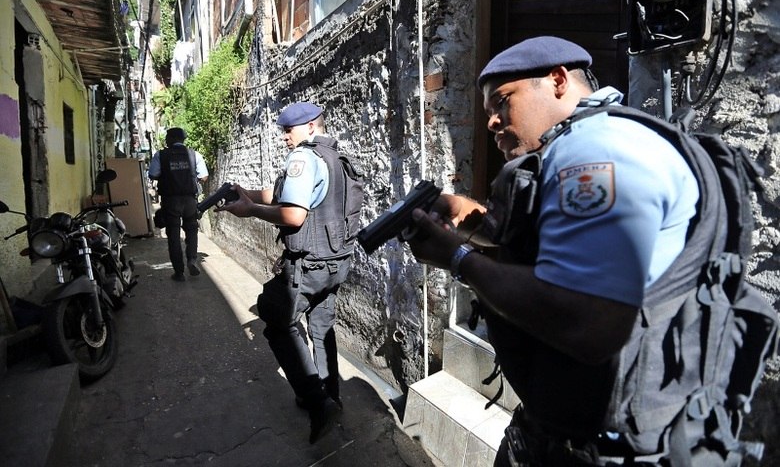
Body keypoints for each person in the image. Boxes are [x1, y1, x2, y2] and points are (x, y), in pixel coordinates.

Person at [406, 37, 700, 465]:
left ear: (558, 80)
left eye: (503, 102)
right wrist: (464, 217)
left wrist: (457, 258)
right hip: (556, 420)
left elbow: (581, 309)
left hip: (600, 442)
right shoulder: (571, 148)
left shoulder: (598, 148)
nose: (491, 123)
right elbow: (543, 241)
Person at [218, 102, 361, 444]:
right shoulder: (335, 157)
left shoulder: (302, 158)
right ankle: (331, 395)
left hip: (309, 264)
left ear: (311, 126)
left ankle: (317, 402)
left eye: (288, 130)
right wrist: (247, 194)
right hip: (337, 262)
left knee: (276, 317)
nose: (284, 137)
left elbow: (294, 215)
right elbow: (285, 194)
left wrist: (251, 211)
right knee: (322, 326)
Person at [148, 127, 209, 282]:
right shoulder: (194, 155)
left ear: (169, 139)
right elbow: (204, 176)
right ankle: (192, 260)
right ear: (183, 139)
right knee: (191, 230)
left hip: (170, 201)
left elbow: (153, 174)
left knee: (173, 235)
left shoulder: (160, 155)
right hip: (190, 200)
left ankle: (179, 272)